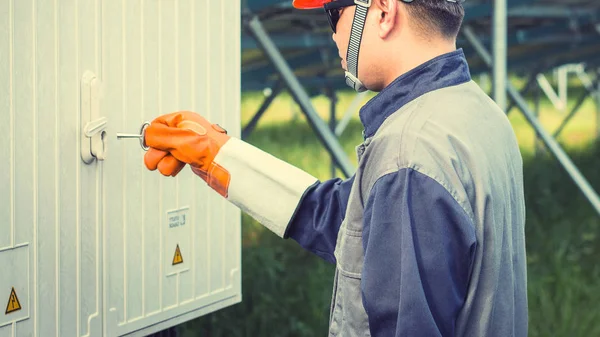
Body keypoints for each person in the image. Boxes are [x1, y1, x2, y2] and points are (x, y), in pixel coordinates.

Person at [142, 0, 528, 336]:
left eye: (333, 14)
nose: (332, 35)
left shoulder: (408, 152)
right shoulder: (477, 112)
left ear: (382, 11)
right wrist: (219, 155)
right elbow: (351, 221)